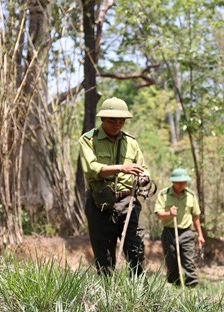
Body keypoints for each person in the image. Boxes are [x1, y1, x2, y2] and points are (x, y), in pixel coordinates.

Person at [79, 97, 151, 276]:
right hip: (101, 202)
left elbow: (144, 169)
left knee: (136, 250)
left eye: (121, 121)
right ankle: (107, 296)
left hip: (129, 201)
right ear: (102, 119)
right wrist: (122, 168)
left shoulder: (131, 142)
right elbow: (92, 168)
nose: (117, 124)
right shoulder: (89, 140)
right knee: (104, 255)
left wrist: (143, 178)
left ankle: (139, 294)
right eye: (112, 120)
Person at [154, 168, 205, 287]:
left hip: (187, 232)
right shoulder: (164, 194)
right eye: (179, 182)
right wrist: (169, 214)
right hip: (169, 232)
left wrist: (200, 235)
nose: (182, 185)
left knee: (189, 261)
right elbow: (159, 214)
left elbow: (196, 216)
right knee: (171, 261)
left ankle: (191, 286)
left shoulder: (191, 195)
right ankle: (175, 285)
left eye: (184, 182)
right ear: (173, 182)